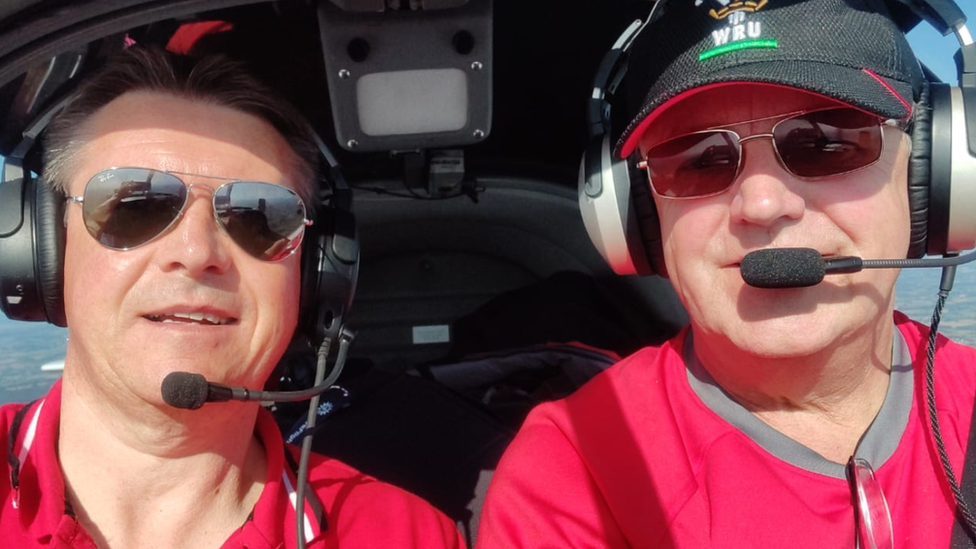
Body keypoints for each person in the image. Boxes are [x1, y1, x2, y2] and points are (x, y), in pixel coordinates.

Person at [477, 0, 976, 547]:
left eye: (826, 141)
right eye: (697, 159)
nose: (762, 205)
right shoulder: (576, 474)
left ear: (931, 171)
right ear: (638, 217)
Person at [0, 47, 465, 549]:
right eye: (136, 205)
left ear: (314, 277)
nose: (197, 252)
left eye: (258, 217)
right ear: (43, 250)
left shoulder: (403, 536)